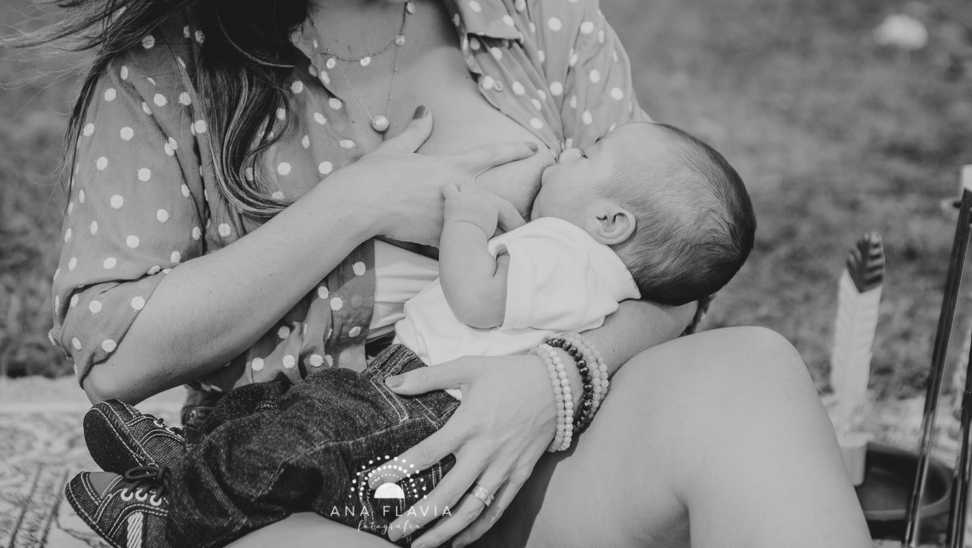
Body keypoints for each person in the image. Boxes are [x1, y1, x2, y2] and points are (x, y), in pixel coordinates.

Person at [44, 0, 873, 546]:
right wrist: (356, 203)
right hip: (303, 495)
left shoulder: (539, 8)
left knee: (752, 372)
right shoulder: (171, 70)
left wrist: (559, 380)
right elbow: (113, 354)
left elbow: (671, 268)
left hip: (545, 467)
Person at [63, 121, 758, 548]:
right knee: (289, 414)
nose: (570, 150)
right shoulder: (591, 264)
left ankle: (175, 518)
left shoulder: (566, 253)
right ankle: (191, 456)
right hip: (408, 390)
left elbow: (477, 298)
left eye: (589, 155)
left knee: (296, 444)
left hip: (423, 409)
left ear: (611, 222)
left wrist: (466, 220)